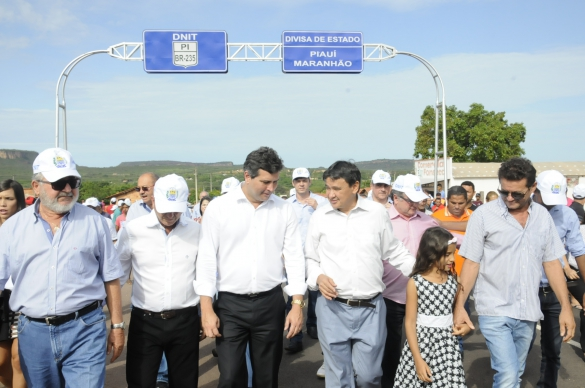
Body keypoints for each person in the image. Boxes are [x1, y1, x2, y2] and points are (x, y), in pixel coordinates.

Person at [0, 147, 124, 387]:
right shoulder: (11, 229)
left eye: (73, 181)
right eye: (59, 183)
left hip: (85, 329)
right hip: (33, 333)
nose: (68, 189)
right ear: (36, 186)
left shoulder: (95, 223)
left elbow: (111, 277)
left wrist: (117, 326)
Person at [454, 157, 575, 388]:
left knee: (515, 372)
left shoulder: (542, 218)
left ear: (532, 188)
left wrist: (566, 308)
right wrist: (459, 306)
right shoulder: (483, 215)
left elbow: (551, 264)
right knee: (508, 374)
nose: (509, 198)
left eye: (517, 194)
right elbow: (471, 263)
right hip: (494, 308)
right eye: (504, 191)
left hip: (528, 310)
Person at [196, 147, 306, 388]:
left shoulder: (283, 209)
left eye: (275, 182)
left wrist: (297, 303)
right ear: (247, 176)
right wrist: (206, 308)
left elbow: (295, 258)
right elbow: (206, 260)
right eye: (265, 182)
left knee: (267, 377)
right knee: (231, 376)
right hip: (230, 306)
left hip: (270, 303)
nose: (271, 188)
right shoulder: (219, 208)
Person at [305, 161, 415, 387]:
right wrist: (318, 276)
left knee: (369, 377)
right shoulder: (320, 216)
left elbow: (393, 250)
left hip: (371, 310)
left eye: (337, 189)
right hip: (332, 308)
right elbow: (310, 258)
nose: (330, 194)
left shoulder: (376, 214)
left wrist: (424, 276)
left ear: (355, 187)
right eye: (327, 188)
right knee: (338, 378)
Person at [118, 174, 202, 387]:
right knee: (140, 382)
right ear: (154, 200)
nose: (171, 214)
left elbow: (205, 276)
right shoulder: (132, 230)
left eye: (177, 208)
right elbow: (117, 276)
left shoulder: (196, 231)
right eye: (166, 208)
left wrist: (207, 312)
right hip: (145, 323)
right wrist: (113, 321)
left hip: (185, 322)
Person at [381, 174, 438, 388]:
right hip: (390, 295)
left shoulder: (428, 221)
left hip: (423, 295)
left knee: (423, 344)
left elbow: (448, 241)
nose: (416, 204)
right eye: (410, 200)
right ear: (395, 198)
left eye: (418, 199)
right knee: (391, 346)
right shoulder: (382, 221)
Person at [393, 227, 469, 387]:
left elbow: (458, 314)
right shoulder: (415, 283)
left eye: (453, 253)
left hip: (448, 348)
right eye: (447, 254)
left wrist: (463, 327)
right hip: (422, 346)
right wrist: (418, 360)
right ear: (432, 254)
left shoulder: (455, 280)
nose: (452, 259)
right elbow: (410, 322)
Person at [531, 170, 585, 388]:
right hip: (526, 290)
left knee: (553, 350)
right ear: (535, 189)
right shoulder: (523, 212)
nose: (552, 206)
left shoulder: (568, 214)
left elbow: (579, 252)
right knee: (520, 347)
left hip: (555, 291)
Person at [284, 168, 328, 373]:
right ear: (293, 183)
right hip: (294, 257)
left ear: (310, 181)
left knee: (316, 294)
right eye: (297, 180)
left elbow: (331, 220)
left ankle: (313, 324)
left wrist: (318, 207)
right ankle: (294, 335)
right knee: (294, 296)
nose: (301, 184)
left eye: (304, 180)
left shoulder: (321, 201)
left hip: (315, 256)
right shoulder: (287, 205)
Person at [0, 179, 26, 388]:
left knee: (19, 358)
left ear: (18, 202)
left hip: (22, 297)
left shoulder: (27, 228)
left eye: (8, 198)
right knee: (1, 362)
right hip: (0, 300)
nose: (3, 203)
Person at [432, 186, 472, 276]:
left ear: (467, 201)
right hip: (443, 276)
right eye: (453, 203)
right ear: (447, 200)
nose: (457, 207)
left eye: (461, 203)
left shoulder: (475, 216)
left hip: (470, 275)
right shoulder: (435, 218)